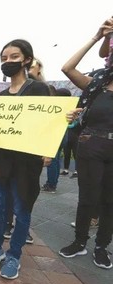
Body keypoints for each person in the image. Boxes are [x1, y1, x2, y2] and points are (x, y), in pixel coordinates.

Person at [0, 39, 52, 279]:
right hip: (1, 160)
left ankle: (14, 256)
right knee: (0, 207)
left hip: (26, 162)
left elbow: (47, 123)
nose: (8, 61)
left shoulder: (38, 90)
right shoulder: (0, 96)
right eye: (4, 58)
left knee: (22, 208)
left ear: (27, 60)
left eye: (14, 57)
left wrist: (48, 150)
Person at [59, 18, 113, 270]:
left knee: (109, 201)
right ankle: (80, 242)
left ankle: (102, 247)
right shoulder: (98, 81)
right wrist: (97, 37)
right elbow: (68, 68)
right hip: (91, 144)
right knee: (88, 198)